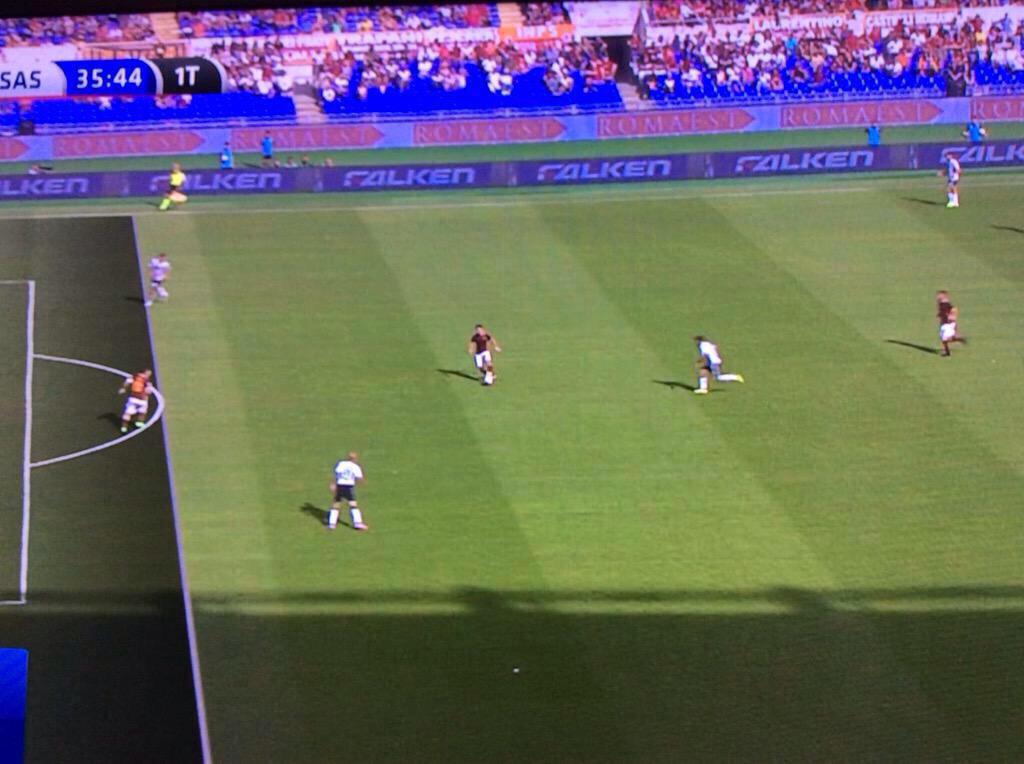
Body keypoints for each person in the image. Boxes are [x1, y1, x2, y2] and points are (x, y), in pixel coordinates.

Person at [328, 452, 367, 531]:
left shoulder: (341, 463)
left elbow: (336, 473)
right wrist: (363, 481)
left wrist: (333, 483)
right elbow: (359, 478)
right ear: (355, 459)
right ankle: (358, 523)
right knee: (353, 505)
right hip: (348, 487)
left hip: (339, 486)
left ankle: (332, 524)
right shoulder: (355, 467)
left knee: (336, 504)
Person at [936, 290, 966, 357]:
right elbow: (942, 312)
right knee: (944, 340)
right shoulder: (940, 303)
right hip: (943, 323)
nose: (937, 296)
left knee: (946, 339)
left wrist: (952, 317)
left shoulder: (946, 303)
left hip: (947, 324)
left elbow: (954, 309)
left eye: (939, 295)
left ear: (943, 296)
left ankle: (958, 339)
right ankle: (947, 352)